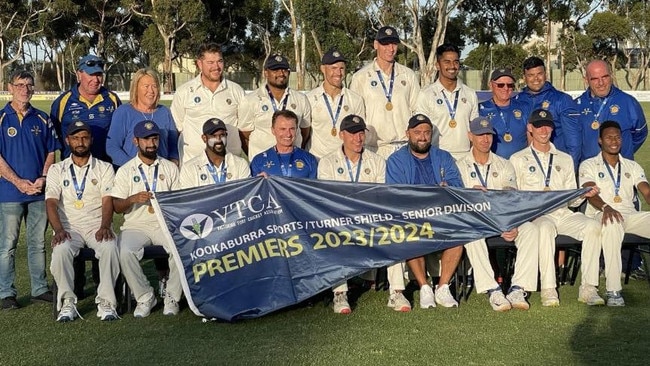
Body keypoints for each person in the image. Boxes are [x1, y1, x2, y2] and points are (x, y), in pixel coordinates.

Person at [318, 114, 410, 313]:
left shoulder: (377, 161)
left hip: (370, 219)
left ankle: (396, 291)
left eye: (361, 133)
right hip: (341, 220)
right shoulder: (327, 162)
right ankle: (340, 294)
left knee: (395, 234)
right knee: (333, 237)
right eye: (352, 134)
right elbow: (328, 200)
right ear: (342, 135)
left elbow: (380, 197)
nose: (358, 138)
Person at [510, 109, 600, 307]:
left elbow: (572, 201)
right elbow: (514, 197)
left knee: (593, 226)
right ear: (530, 128)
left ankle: (589, 288)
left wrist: (581, 195)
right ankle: (549, 289)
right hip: (537, 215)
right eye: (539, 126)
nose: (544, 130)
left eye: (548, 125)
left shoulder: (564, 158)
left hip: (563, 213)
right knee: (544, 227)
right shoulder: (518, 159)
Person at [457, 117, 539, 311]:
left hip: (501, 219)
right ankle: (492, 289)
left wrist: (509, 223)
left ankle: (518, 287)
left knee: (531, 229)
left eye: (488, 135)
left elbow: (509, 197)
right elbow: (458, 203)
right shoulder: (459, 166)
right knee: (471, 233)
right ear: (470, 136)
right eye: (479, 135)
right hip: (474, 220)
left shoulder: (504, 164)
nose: (485, 139)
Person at [386, 114, 464, 309]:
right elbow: (396, 194)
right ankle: (424, 287)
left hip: (441, 214)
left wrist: (449, 186)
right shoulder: (396, 160)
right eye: (417, 132)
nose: (422, 137)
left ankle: (443, 286)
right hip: (412, 215)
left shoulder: (443, 156)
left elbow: (457, 184)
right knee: (411, 234)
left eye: (427, 133)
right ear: (408, 134)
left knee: (459, 234)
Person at [46, 121, 120, 322]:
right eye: (76, 138)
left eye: (85, 137)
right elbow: (51, 203)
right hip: (69, 228)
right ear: (67, 140)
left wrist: (105, 225)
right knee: (61, 250)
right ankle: (67, 302)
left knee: (110, 246)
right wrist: (59, 230)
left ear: (91, 140)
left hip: (97, 225)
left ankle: (106, 302)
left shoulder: (104, 168)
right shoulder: (56, 169)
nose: (81, 142)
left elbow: (107, 201)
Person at [0, 70, 59, 309]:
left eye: (29, 85)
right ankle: (6, 293)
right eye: (20, 84)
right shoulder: (2, 119)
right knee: (7, 245)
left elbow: (51, 151)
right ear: (10, 88)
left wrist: (44, 177)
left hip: (38, 192)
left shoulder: (43, 119)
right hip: (10, 193)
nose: (25, 89)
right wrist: (18, 182)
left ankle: (39, 288)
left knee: (37, 243)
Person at [112, 120, 182, 317]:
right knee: (124, 250)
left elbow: (178, 201)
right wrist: (133, 199)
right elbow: (117, 207)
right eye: (146, 139)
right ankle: (145, 297)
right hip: (136, 225)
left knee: (179, 248)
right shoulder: (126, 170)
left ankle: (172, 296)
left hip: (164, 224)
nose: (151, 143)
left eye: (155, 138)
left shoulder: (169, 167)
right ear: (136, 141)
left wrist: (166, 202)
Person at [579, 121, 650, 306]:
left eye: (617, 137)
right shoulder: (589, 165)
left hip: (630, 215)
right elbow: (588, 191)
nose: (614, 141)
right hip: (600, 213)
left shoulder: (632, 166)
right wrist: (605, 207)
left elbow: (646, 191)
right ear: (600, 140)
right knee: (611, 223)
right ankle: (613, 291)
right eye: (609, 137)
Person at [349, 26, 420, 159]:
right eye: (385, 44)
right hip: (375, 149)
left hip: (404, 147)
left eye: (394, 44)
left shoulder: (408, 75)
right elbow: (356, 115)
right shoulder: (361, 77)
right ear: (376, 45)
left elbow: (417, 110)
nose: (391, 48)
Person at [171, 42, 247, 163]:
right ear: (200, 64)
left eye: (220, 61)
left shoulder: (236, 91)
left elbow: (244, 129)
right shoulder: (184, 92)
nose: (216, 67)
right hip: (194, 166)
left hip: (231, 165)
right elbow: (176, 129)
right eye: (210, 62)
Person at [239, 54, 312, 159]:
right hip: (263, 166)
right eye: (275, 70)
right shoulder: (251, 100)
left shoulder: (301, 99)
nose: (281, 73)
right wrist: (258, 158)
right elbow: (244, 134)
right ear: (266, 73)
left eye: (284, 70)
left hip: (293, 163)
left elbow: (305, 132)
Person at [50, 54, 121, 162]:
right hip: (73, 170)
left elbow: (120, 135)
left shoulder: (112, 99)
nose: (96, 79)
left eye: (99, 75)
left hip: (105, 170)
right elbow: (53, 136)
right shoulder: (62, 101)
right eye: (91, 74)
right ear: (79, 74)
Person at [575, 60, 647, 162]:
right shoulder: (576, 106)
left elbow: (640, 134)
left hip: (621, 171)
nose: (601, 83)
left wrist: (623, 153)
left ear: (611, 75)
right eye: (595, 79)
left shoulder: (628, 102)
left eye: (605, 77)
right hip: (589, 173)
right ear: (586, 80)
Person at [416, 43, 479, 159]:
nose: (452, 66)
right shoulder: (425, 94)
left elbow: (475, 128)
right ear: (437, 65)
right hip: (437, 155)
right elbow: (421, 129)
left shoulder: (470, 94)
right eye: (447, 62)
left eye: (456, 62)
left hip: (465, 157)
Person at [515, 56, 581, 166]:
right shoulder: (517, 101)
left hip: (555, 166)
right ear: (524, 77)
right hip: (526, 167)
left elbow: (573, 141)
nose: (536, 79)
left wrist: (570, 170)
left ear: (545, 74)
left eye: (539, 74)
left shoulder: (562, 100)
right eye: (531, 75)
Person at [107, 68, 179, 167]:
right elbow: (112, 147)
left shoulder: (164, 112)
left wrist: (173, 162)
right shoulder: (123, 112)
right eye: (146, 86)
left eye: (154, 86)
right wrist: (134, 168)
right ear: (136, 89)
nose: (151, 91)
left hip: (161, 173)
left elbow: (173, 144)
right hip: (131, 173)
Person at [306, 49, 365, 159]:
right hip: (317, 159)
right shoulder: (309, 99)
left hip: (344, 161)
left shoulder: (356, 99)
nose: (338, 73)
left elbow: (359, 134)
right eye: (333, 68)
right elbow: (304, 132)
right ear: (323, 69)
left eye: (341, 68)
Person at [179, 118, 251, 189]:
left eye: (222, 135)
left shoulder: (240, 164)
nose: (219, 139)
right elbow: (189, 198)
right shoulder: (189, 168)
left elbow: (246, 194)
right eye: (213, 136)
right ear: (204, 138)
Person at [478, 68, 531, 159]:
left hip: (521, 165)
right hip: (494, 166)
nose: (506, 88)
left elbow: (531, 137)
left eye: (510, 85)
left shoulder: (524, 107)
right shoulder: (480, 109)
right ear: (491, 85)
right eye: (501, 85)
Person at [250, 110, 318, 178]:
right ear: (273, 130)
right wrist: (260, 181)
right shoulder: (258, 161)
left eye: (292, 129)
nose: (288, 134)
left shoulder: (309, 160)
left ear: (296, 130)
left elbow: (313, 187)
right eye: (283, 129)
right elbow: (253, 187)